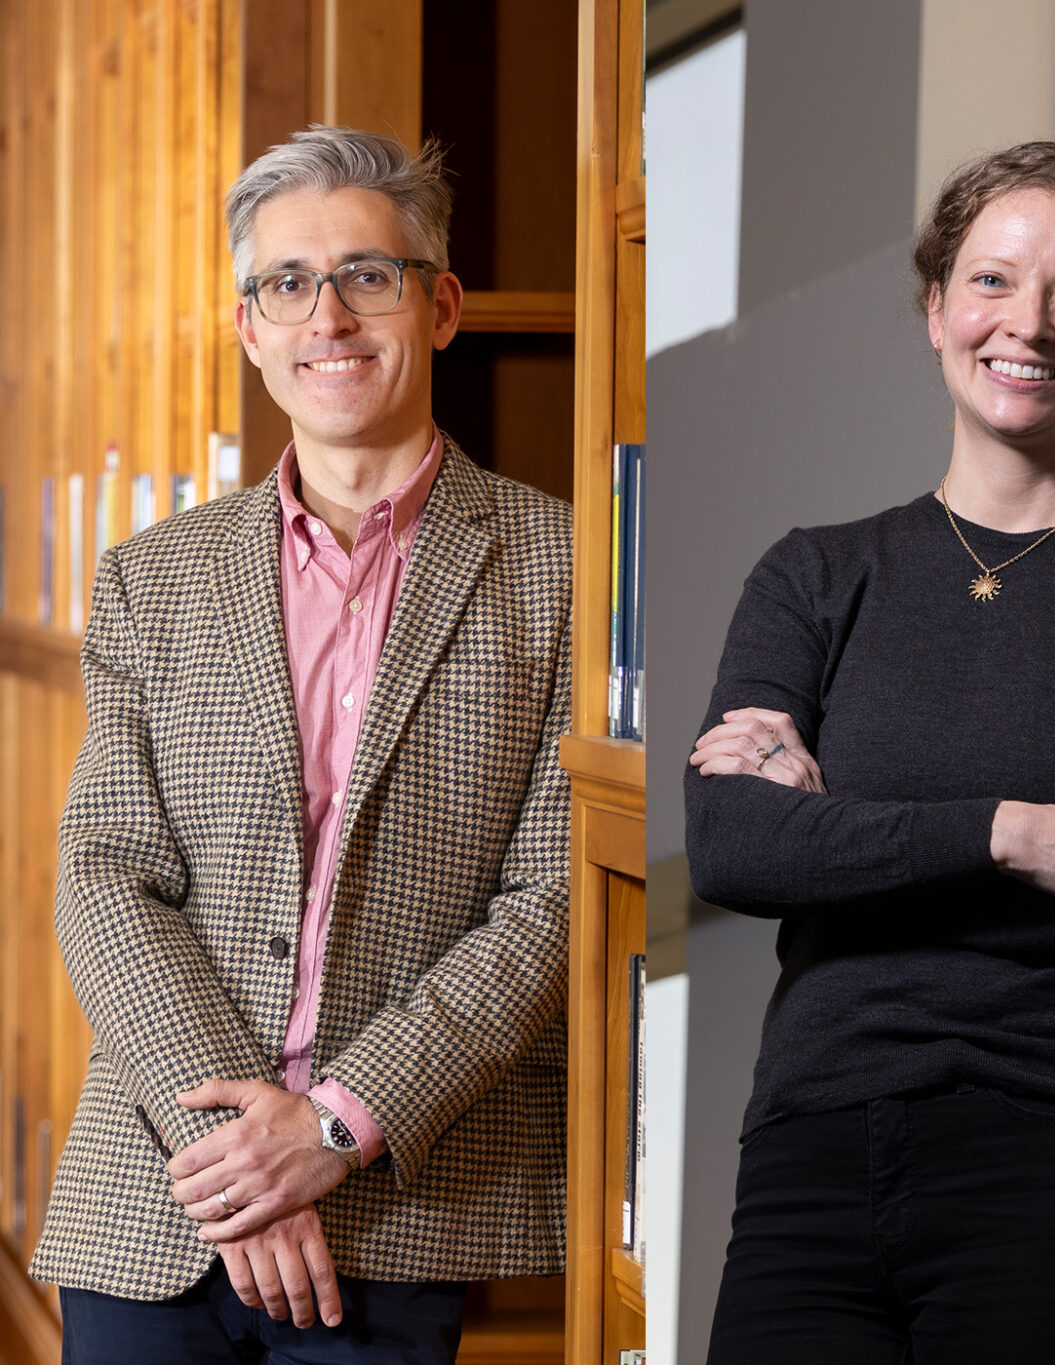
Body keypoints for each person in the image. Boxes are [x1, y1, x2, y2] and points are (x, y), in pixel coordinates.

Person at [685, 141, 1055, 1364]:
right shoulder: (814, 575)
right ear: (935, 310)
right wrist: (1016, 832)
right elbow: (735, 846)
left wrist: (838, 832)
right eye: (994, 282)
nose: (1031, 326)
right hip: (812, 1160)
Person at [31, 126, 572, 1364]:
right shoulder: (153, 578)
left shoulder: (565, 571)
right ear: (248, 328)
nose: (326, 315)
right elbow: (107, 876)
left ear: (440, 307)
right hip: (158, 1195)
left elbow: (546, 906)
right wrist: (239, 1161)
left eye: (365, 276)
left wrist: (329, 1128)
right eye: (287, 284)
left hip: (398, 1205)